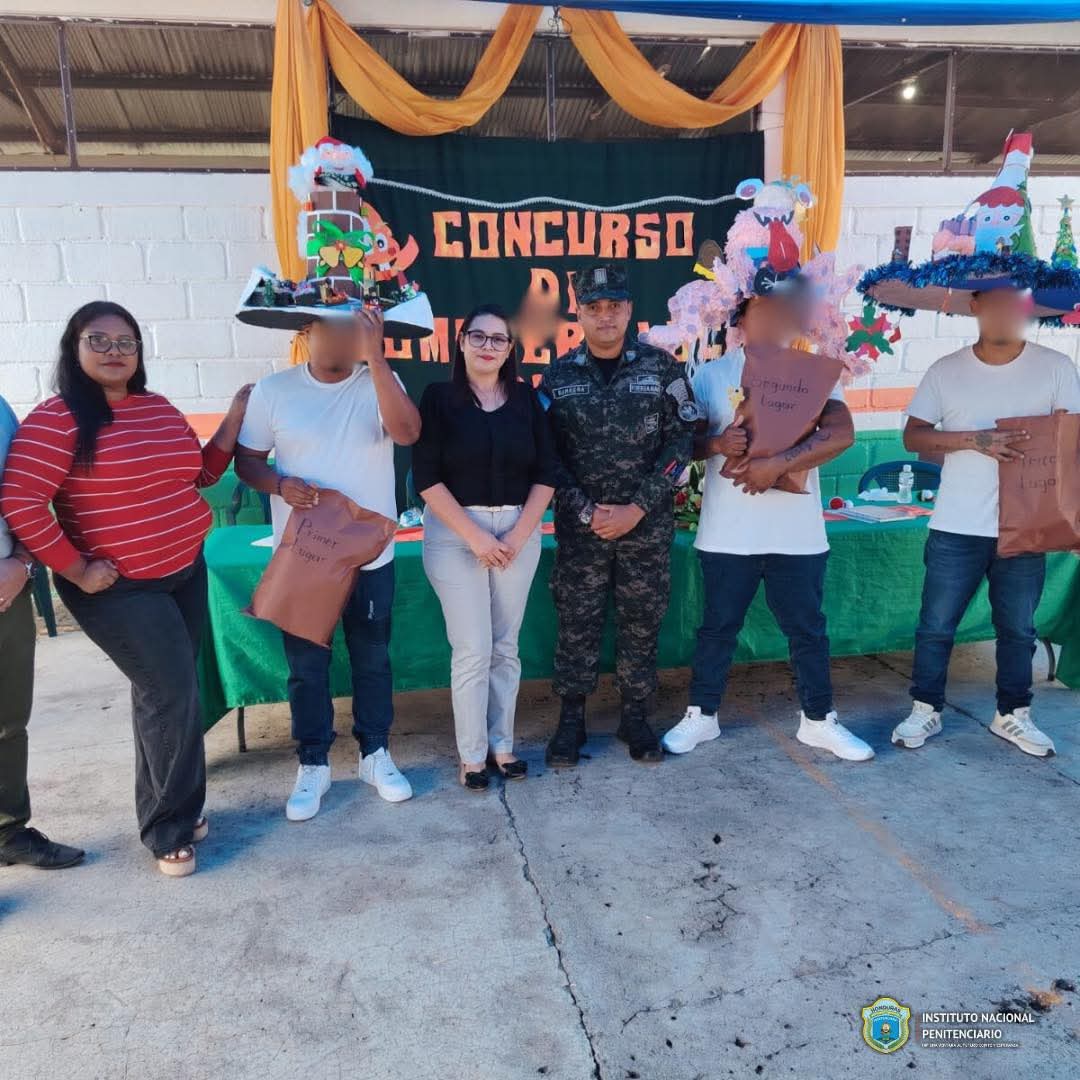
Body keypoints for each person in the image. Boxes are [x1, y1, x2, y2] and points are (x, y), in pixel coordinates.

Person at [0, 302, 250, 877]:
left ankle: (177, 805)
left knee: (163, 694)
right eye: (99, 340)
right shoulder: (57, 420)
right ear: (74, 348)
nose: (114, 351)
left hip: (183, 573)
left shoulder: (156, 408)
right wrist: (76, 569)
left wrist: (234, 417)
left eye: (126, 342)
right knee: (173, 693)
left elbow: (201, 474)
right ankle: (167, 828)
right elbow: (21, 502)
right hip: (120, 588)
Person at [662, 289, 874, 762]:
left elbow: (841, 433)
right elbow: (683, 443)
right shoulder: (712, 375)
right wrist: (718, 444)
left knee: (807, 631)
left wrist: (777, 464)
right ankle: (702, 715)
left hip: (797, 535)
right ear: (740, 320)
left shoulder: (813, 373)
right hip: (727, 532)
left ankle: (818, 721)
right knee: (717, 629)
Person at [235, 309, 421, 820]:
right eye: (330, 327)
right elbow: (247, 461)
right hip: (305, 559)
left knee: (373, 658)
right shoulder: (275, 391)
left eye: (351, 329)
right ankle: (313, 762)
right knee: (306, 667)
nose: (341, 338)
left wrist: (376, 359)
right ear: (306, 332)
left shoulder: (381, 380)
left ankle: (375, 753)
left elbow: (408, 433)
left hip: (370, 556)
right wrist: (279, 485)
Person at [892, 287, 1080, 756]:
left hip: (1026, 525)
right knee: (936, 626)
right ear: (974, 306)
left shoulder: (1056, 367)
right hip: (957, 523)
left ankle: (1012, 714)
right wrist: (975, 440)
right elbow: (914, 437)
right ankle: (925, 708)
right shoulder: (946, 370)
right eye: (994, 302)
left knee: (1018, 629)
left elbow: (1071, 447)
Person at [540, 262, 697, 767]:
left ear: (629, 309)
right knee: (576, 622)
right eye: (594, 307)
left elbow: (683, 442)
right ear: (578, 312)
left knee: (641, 621)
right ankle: (571, 719)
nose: (605, 316)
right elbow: (545, 456)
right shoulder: (557, 376)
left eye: (614, 306)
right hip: (580, 531)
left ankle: (636, 716)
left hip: (644, 528)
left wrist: (637, 507)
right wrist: (586, 511)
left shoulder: (663, 369)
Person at [413, 305, 556, 791]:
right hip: (456, 534)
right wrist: (476, 537)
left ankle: (502, 746)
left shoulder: (526, 400)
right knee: (473, 647)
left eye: (499, 339)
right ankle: (472, 755)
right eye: (479, 336)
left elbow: (547, 472)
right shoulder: (438, 399)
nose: (488, 346)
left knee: (505, 647)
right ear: (461, 341)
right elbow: (426, 477)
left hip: (518, 531)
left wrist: (516, 536)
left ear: (510, 348)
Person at [0, 393, 84, 870]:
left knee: (9, 720)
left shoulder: (0, 410)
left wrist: (22, 562)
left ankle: (8, 831)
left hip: (7, 587)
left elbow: (26, 495)